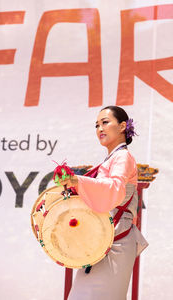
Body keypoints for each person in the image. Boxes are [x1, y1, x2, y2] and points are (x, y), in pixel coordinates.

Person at [60, 106, 148, 300]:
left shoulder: (123, 157)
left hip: (117, 240)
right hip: (102, 239)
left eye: (105, 122)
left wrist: (78, 181)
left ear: (123, 126)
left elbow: (114, 188)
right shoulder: (112, 158)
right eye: (97, 125)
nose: (100, 128)